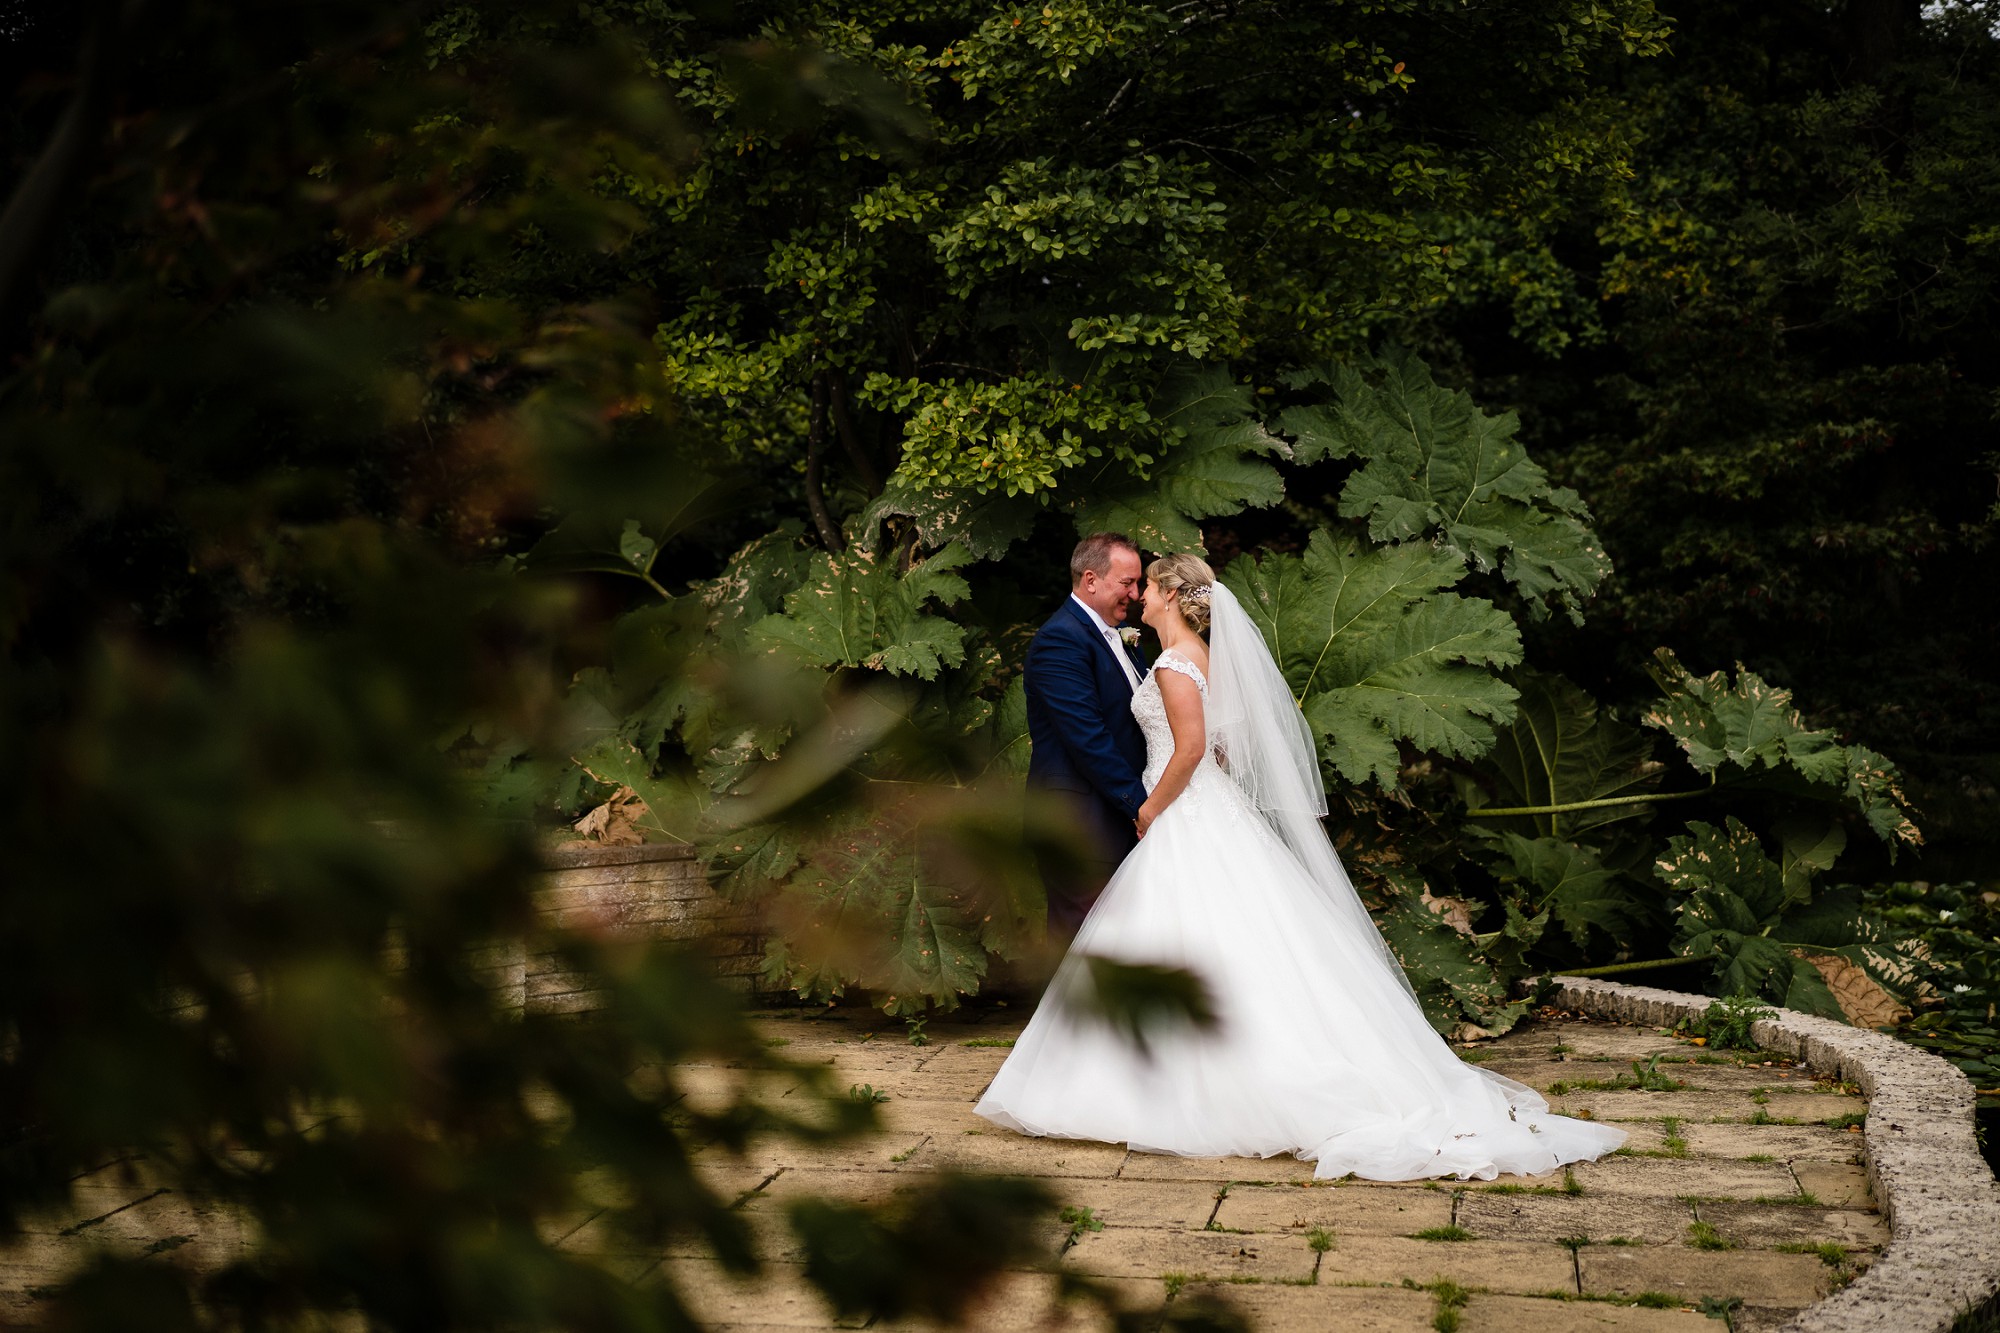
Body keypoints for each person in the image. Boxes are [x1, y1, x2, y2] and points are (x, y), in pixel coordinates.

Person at [977, 553, 1626, 1181]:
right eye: (1133, 581)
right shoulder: (1193, 657)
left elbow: (1194, 746)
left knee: (1190, 939)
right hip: (1205, 809)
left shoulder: (1175, 661)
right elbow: (1220, 749)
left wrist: (1149, 806)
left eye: (1148, 584)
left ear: (1172, 595)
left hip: (1179, 812)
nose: (1139, 592)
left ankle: (1174, 1080)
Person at [1022, 533, 1150, 937]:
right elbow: (1087, 738)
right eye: (1127, 583)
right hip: (1079, 824)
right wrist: (1142, 806)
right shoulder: (1061, 641)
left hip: (1113, 818)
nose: (1136, 593)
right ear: (1091, 580)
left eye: (1138, 582)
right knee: (1084, 947)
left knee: (1120, 943)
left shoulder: (1121, 636)